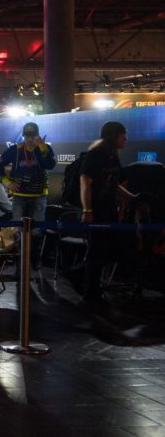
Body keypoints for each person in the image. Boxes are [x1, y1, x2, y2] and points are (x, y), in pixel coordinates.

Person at [78, 121, 138, 307]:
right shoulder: (95, 155)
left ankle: (83, 280)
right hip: (96, 210)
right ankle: (90, 293)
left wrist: (133, 198)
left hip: (110, 210)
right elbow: (85, 183)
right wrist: (87, 210)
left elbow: (114, 183)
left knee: (107, 251)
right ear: (114, 136)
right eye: (123, 135)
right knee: (96, 252)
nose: (125, 138)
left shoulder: (113, 156)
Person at [0, 121, 57, 226]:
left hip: (39, 195)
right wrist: (7, 182)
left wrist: (42, 148)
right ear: (23, 136)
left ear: (38, 135)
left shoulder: (45, 147)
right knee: (18, 228)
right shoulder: (15, 149)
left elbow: (50, 165)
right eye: (27, 136)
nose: (30, 139)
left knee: (38, 228)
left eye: (33, 136)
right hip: (19, 195)